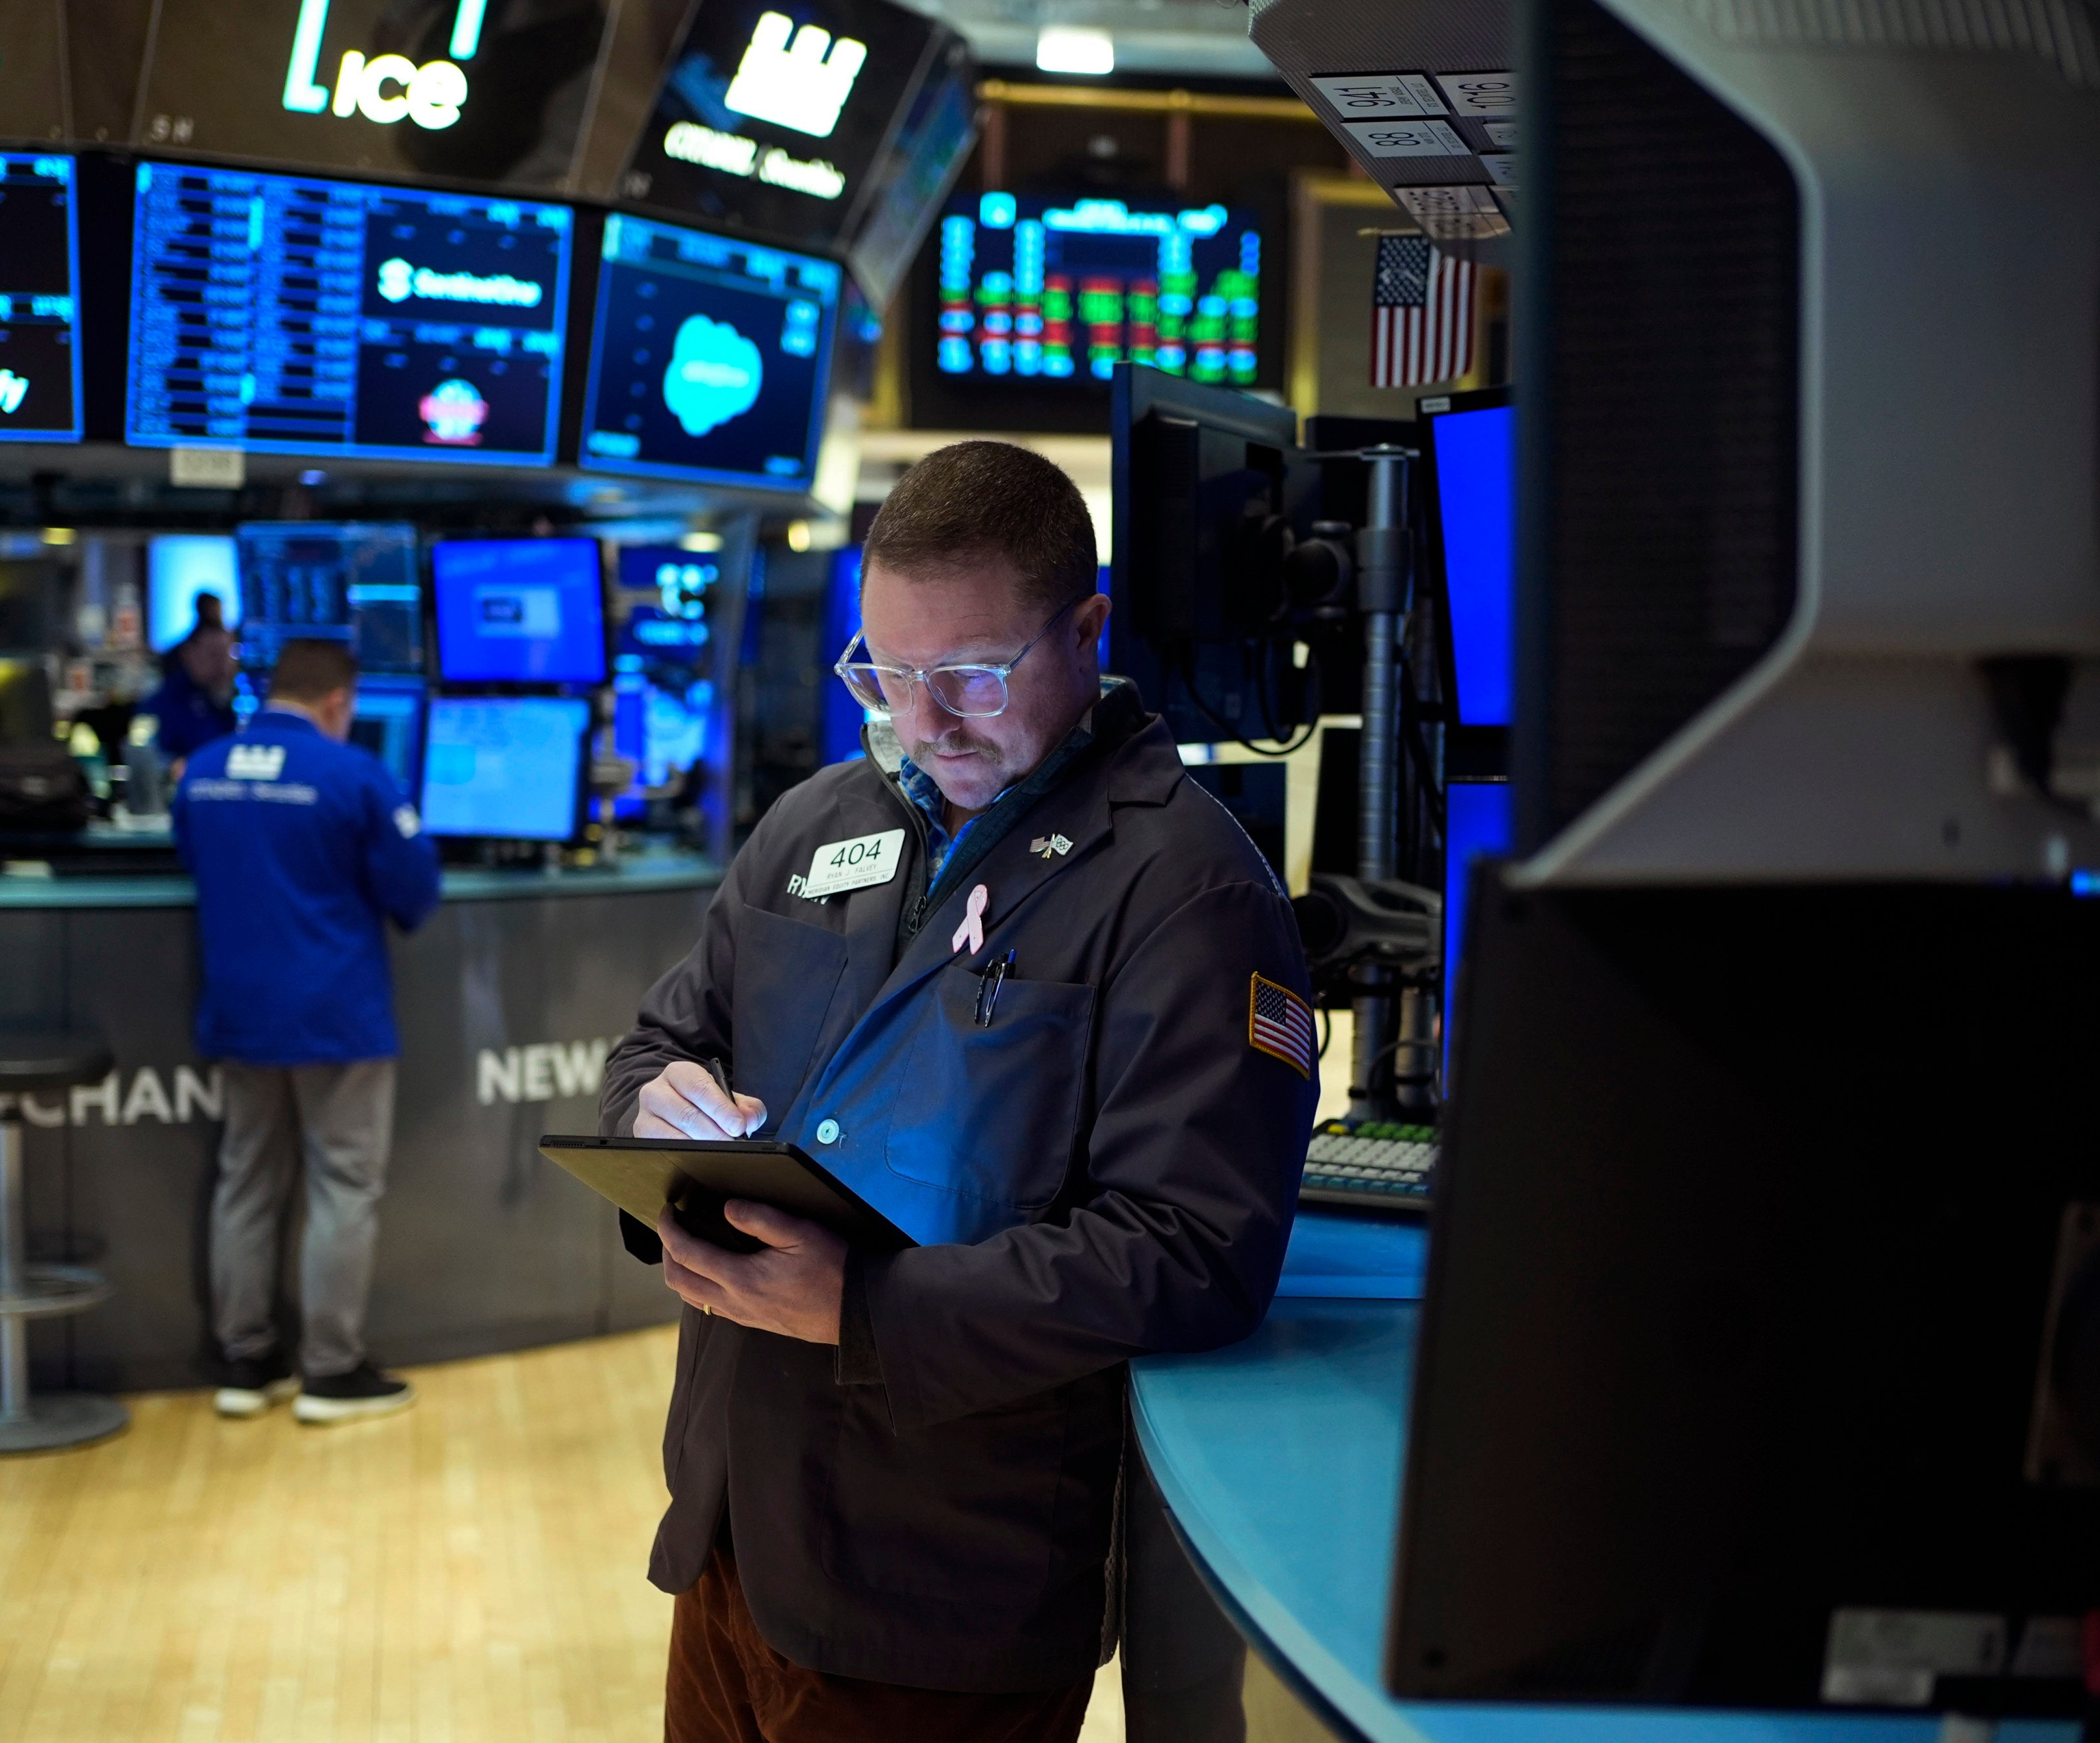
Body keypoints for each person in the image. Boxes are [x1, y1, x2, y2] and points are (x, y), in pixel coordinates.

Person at [599, 441, 1318, 1740]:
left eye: (970, 678)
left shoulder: (1184, 889)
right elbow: (658, 1045)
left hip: (938, 1587)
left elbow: (1194, 1251)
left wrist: (867, 1308)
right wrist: (652, 1113)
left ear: (1087, 632)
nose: (922, 726)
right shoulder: (816, 822)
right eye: (883, 674)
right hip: (726, 1526)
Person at [173, 637, 443, 1424]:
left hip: (239, 1012)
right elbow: (415, 894)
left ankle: (245, 1362)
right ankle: (330, 1370)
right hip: (336, 1017)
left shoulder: (206, 771)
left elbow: (194, 861)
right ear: (339, 702)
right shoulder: (355, 774)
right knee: (343, 1185)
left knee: (246, 1181)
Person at [143, 591, 239, 772]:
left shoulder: (230, 700)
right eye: (214, 656)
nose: (225, 667)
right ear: (190, 654)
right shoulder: (169, 701)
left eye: (230, 655)